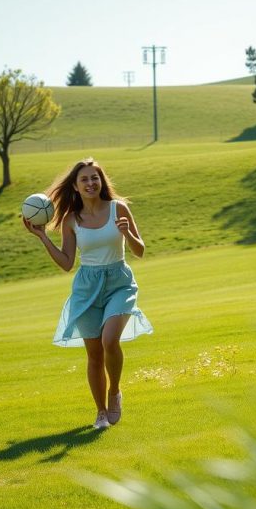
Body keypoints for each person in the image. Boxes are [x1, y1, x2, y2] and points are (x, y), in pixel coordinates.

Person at [23, 157, 153, 429]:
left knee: (109, 341)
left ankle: (114, 391)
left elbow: (139, 251)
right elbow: (67, 263)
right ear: (76, 186)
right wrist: (43, 237)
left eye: (95, 177)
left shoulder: (119, 209)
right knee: (94, 355)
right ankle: (101, 413)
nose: (91, 183)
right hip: (86, 289)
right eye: (84, 179)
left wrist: (127, 234)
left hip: (119, 282)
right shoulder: (71, 220)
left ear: (101, 181)